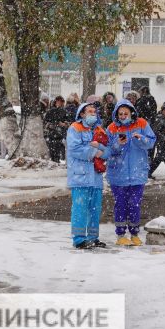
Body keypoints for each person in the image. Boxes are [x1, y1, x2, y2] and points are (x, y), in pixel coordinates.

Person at [106, 99, 157, 245]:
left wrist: (141, 139)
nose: (123, 116)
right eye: (120, 113)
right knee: (120, 204)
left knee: (134, 204)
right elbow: (107, 149)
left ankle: (135, 234)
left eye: (125, 113)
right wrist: (118, 144)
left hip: (137, 174)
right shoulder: (111, 128)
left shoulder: (141, 123)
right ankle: (121, 235)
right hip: (118, 175)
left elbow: (151, 141)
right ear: (116, 114)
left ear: (131, 112)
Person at [67, 102, 109, 249]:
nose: (92, 113)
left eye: (94, 111)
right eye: (89, 111)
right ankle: (79, 239)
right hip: (80, 177)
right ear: (82, 114)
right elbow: (74, 148)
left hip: (96, 178)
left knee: (94, 209)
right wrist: (94, 151)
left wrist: (102, 150)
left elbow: (107, 150)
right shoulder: (75, 128)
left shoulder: (99, 129)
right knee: (80, 209)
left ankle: (93, 237)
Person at [44, 95, 72, 163]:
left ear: (62, 102)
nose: (59, 102)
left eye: (60, 101)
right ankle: (54, 162)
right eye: (57, 101)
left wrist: (63, 124)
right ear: (55, 101)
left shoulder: (64, 111)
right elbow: (45, 122)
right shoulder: (50, 111)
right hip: (51, 135)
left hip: (60, 135)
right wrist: (50, 125)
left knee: (58, 151)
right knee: (52, 152)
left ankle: (57, 162)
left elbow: (69, 122)